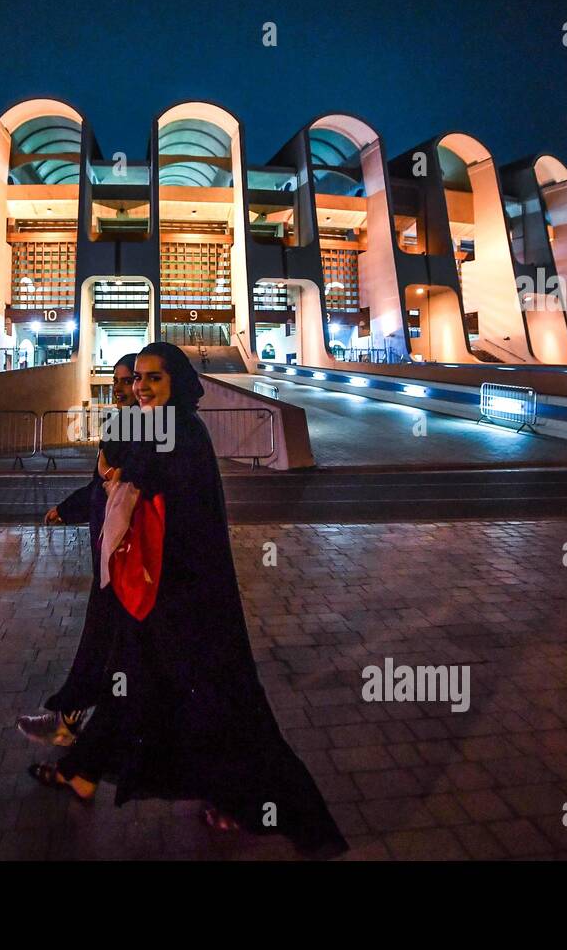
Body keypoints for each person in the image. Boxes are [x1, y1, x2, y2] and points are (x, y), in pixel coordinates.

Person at [28, 342, 348, 856]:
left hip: (188, 599)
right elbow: (119, 470)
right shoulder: (162, 427)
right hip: (158, 594)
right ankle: (82, 772)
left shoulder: (182, 431)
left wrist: (117, 470)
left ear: (177, 379)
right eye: (138, 380)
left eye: (154, 378)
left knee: (213, 699)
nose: (142, 387)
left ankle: (244, 799)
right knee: (134, 683)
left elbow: (128, 476)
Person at [16, 354, 138, 747]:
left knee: (105, 640)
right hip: (112, 556)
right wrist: (67, 509)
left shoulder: (148, 432)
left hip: (130, 561)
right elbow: (98, 487)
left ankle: (73, 725)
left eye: (130, 380)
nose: (121, 388)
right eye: (116, 381)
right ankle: (74, 723)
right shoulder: (122, 427)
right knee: (108, 642)